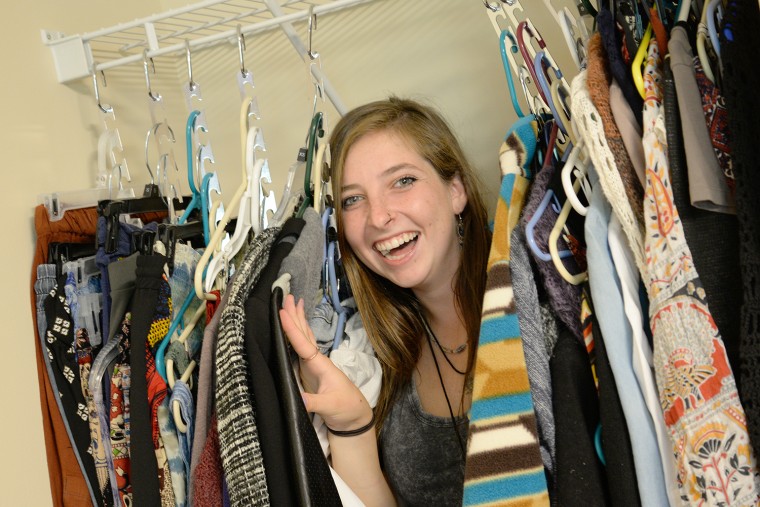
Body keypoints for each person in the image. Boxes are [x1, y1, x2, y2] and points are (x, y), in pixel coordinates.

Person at [280, 96, 491, 506]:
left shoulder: (537, 308)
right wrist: (352, 427)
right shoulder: (379, 354)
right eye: (353, 200)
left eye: (403, 181)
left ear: (456, 190)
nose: (378, 217)